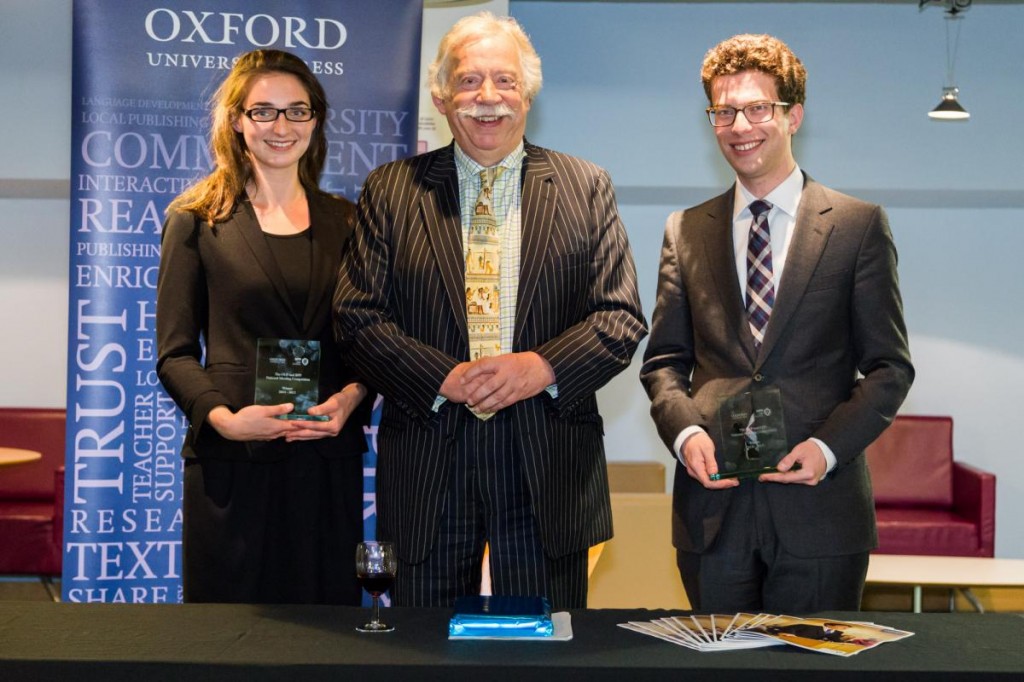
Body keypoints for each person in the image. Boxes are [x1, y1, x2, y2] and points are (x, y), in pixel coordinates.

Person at [333, 12, 646, 609]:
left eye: (504, 80)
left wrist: (539, 368)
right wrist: (443, 378)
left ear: (527, 93)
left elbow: (619, 317)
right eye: (469, 80)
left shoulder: (586, 186)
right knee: (422, 653)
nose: (487, 98)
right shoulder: (390, 189)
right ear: (441, 97)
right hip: (429, 462)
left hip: (546, 463)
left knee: (544, 654)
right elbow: (357, 318)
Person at [640, 34, 914, 613]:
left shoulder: (858, 226)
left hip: (821, 511)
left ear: (793, 115)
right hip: (712, 515)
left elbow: (889, 368)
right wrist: (686, 434)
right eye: (724, 111)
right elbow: (664, 363)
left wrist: (827, 447)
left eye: (758, 108)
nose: (741, 125)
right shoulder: (684, 230)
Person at [157, 49, 371, 604]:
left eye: (297, 111)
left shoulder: (349, 222)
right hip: (234, 464)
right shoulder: (196, 220)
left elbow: (367, 343)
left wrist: (352, 399)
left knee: (330, 644)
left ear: (316, 121)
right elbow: (174, 352)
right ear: (236, 120)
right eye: (264, 112)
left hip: (325, 462)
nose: (282, 127)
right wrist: (224, 420)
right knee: (229, 641)